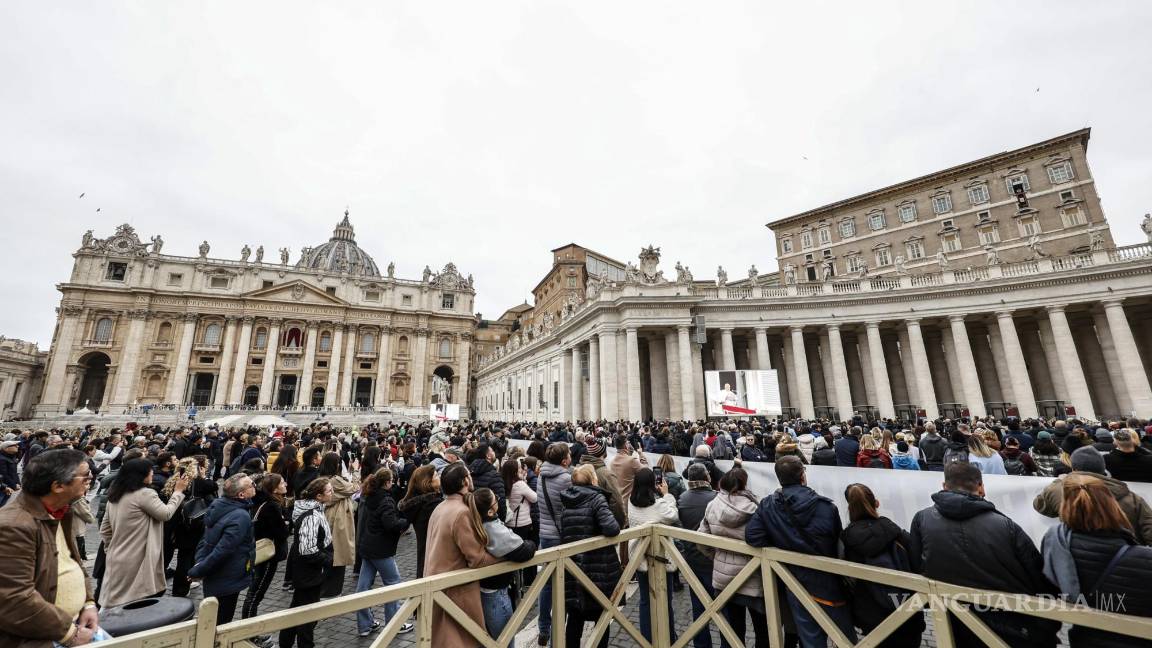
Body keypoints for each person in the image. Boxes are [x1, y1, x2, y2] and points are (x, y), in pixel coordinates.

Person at [910, 462, 1059, 648]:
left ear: (944, 486)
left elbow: (918, 566)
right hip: (1010, 623)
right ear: (981, 487)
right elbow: (1039, 576)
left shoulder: (921, 519)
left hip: (955, 619)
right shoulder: (1005, 526)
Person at [746, 456, 856, 648]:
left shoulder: (769, 505)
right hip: (827, 580)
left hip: (794, 579)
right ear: (803, 476)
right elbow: (836, 544)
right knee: (845, 638)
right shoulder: (826, 507)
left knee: (811, 638)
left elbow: (754, 536)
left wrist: (780, 538)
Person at [0, 449, 104, 648]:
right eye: (85, 475)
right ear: (57, 486)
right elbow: (13, 599)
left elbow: (73, 562)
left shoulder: (61, 512)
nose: (90, 479)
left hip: (73, 623)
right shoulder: (13, 526)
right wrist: (69, 633)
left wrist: (88, 603)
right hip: (41, 637)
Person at [1041, 473, 1152, 647]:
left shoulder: (1056, 542)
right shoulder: (1144, 559)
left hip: (1084, 638)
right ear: (1112, 504)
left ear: (1065, 506)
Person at [425, 463, 502, 646]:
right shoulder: (462, 512)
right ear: (465, 481)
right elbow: (477, 559)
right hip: (456, 591)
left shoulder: (440, 507)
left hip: (438, 586)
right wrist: (507, 555)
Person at [841, 483, 924, 648]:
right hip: (905, 609)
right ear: (876, 503)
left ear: (849, 508)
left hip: (871, 615)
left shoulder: (846, 540)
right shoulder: (895, 531)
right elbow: (918, 561)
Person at [99, 457, 191, 607]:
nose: (152, 475)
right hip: (139, 556)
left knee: (115, 599)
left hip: (117, 555)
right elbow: (165, 514)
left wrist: (111, 548)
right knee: (137, 600)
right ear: (140, 475)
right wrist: (178, 492)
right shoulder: (145, 494)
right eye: (150, 472)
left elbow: (105, 529)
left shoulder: (115, 494)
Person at [700, 466, 769, 647]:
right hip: (753, 575)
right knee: (762, 630)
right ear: (744, 484)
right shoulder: (755, 507)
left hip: (725, 578)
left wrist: (716, 557)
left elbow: (701, 539)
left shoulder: (712, 505)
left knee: (733, 630)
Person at [1034, 446, 1152, 544]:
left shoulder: (1057, 489)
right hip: (1126, 559)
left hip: (1078, 558)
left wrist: (1059, 482)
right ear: (1102, 468)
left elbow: (1040, 506)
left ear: (1073, 468)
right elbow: (1149, 531)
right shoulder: (1133, 499)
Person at [560, 464, 622, 648]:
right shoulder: (596, 499)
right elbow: (612, 528)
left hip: (574, 567)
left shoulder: (567, 500)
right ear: (593, 479)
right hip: (597, 567)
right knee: (601, 618)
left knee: (575, 616)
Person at [187, 473, 256, 625]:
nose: (255, 486)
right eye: (251, 485)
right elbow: (223, 550)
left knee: (214, 616)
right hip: (227, 576)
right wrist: (198, 571)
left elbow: (205, 540)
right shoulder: (240, 516)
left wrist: (200, 563)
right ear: (241, 494)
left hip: (216, 575)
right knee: (221, 621)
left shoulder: (218, 505)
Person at [353, 467, 414, 636]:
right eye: (392, 481)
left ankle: (365, 625)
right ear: (387, 483)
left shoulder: (368, 494)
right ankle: (394, 624)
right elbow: (391, 524)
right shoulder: (385, 500)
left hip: (367, 545)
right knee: (393, 583)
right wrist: (405, 521)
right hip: (380, 549)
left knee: (363, 587)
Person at [279, 478, 334, 648]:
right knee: (308, 614)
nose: (332, 493)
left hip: (307, 570)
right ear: (318, 496)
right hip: (309, 572)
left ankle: (286, 642)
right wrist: (327, 560)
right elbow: (308, 549)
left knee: (298, 608)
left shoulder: (315, 509)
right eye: (329, 491)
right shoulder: (311, 516)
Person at [475, 487, 537, 639]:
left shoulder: (479, 520)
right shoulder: (491, 527)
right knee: (505, 638)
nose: (499, 500)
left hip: (487, 588)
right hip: (496, 591)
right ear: (489, 511)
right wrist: (531, 544)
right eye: (496, 499)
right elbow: (522, 550)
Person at [628, 468, 679, 643]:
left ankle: (647, 638)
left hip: (641, 557)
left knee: (644, 600)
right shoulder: (659, 505)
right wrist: (667, 495)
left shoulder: (630, 502)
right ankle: (669, 637)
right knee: (666, 600)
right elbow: (673, 516)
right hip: (661, 556)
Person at [536, 442, 573, 646]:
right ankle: (557, 637)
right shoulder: (566, 479)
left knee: (547, 585)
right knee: (563, 587)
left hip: (545, 535)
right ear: (564, 460)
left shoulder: (541, 475)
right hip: (562, 535)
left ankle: (543, 627)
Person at [677, 464, 718, 648]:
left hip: (692, 560)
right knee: (723, 608)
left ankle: (702, 644)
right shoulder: (715, 499)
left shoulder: (682, 499)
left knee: (698, 607)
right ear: (706, 477)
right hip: (713, 560)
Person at [166, 456, 218, 598]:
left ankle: (181, 586)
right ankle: (182, 587)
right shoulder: (198, 482)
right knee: (189, 556)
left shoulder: (173, 480)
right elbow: (214, 486)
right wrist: (202, 476)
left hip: (179, 523)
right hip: (193, 523)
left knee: (184, 555)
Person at [243, 473, 290, 621]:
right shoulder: (272, 506)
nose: (286, 485)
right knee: (256, 592)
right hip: (268, 553)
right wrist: (287, 524)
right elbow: (282, 532)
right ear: (274, 489)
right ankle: (248, 629)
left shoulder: (263, 502)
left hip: (262, 549)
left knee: (255, 590)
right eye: (282, 483)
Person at [317, 451, 357, 597]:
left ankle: (329, 591)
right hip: (336, 520)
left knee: (333, 555)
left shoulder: (323, 478)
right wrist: (356, 470)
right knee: (337, 556)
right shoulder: (334, 481)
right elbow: (353, 487)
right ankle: (330, 593)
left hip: (330, 518)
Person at [501, 456, 539, 603]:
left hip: (510, 522)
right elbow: (534, 498)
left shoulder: (505, 483)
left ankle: (514, 581)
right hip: (522, 522)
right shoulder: (520, 485)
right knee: (523, 552)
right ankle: (521, 583)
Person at [397, 465, 443, 579]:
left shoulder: (422, 503)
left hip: (426, 555)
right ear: (428, 482)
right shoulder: (431, 505)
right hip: (434, 558)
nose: (439, 477)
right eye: (436, 475)